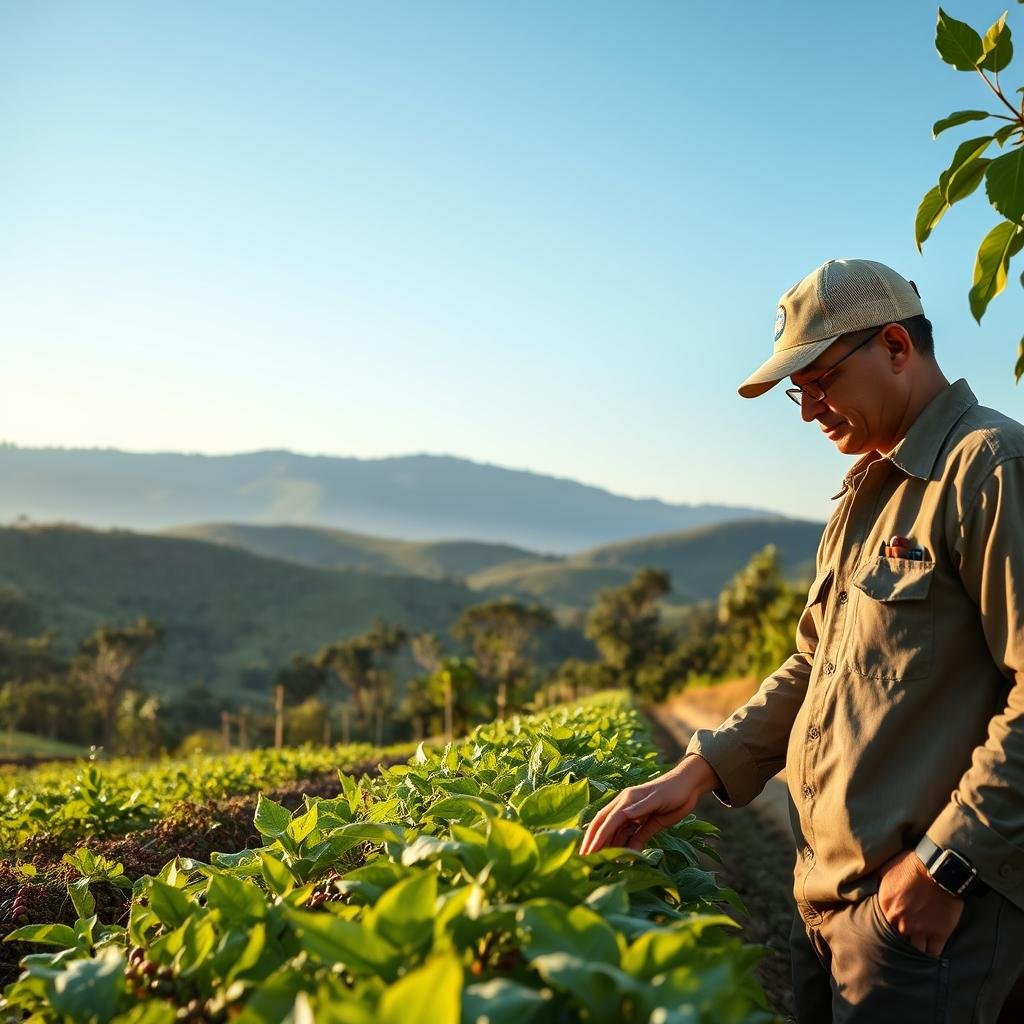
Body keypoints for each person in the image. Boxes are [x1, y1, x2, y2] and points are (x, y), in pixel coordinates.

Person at [580, 259, 1024, 1023]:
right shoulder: (864, 494)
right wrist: (700, 769)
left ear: (895, 346)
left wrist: (944, 868)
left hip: (927, 920)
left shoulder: (986, 468)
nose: (809, 410)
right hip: (827, 907)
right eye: (800, 391)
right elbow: (816, 663)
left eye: (821, 381)